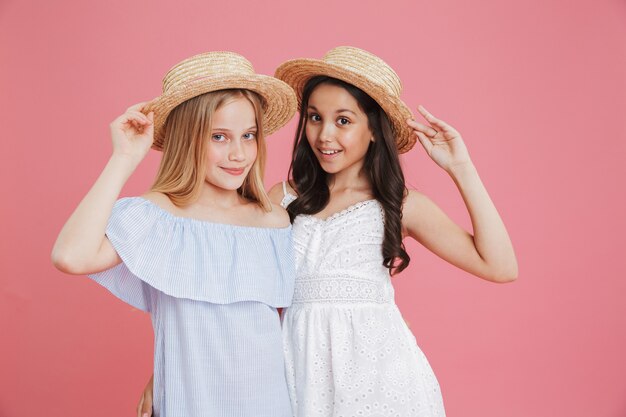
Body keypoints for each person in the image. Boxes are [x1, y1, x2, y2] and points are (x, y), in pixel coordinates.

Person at [136, 46, 518, 417]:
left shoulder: (401, 205)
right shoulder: (281, 200)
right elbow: (228, 289)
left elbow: (500, 266)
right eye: (315, 117)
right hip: (297, 371)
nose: (324, 135)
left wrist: (461, 167)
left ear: (374, 130)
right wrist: (166, 369)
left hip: (381, 376)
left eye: (344, 120)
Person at [51, 51, 298, 417]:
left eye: (248, 135)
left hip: (271, 404)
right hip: (190, 403)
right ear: (187, 138)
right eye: (219, 136)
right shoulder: (157, 217)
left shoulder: (273, 221)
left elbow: (280, 326)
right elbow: (71, 256)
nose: (238, 153)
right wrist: (123, 159)